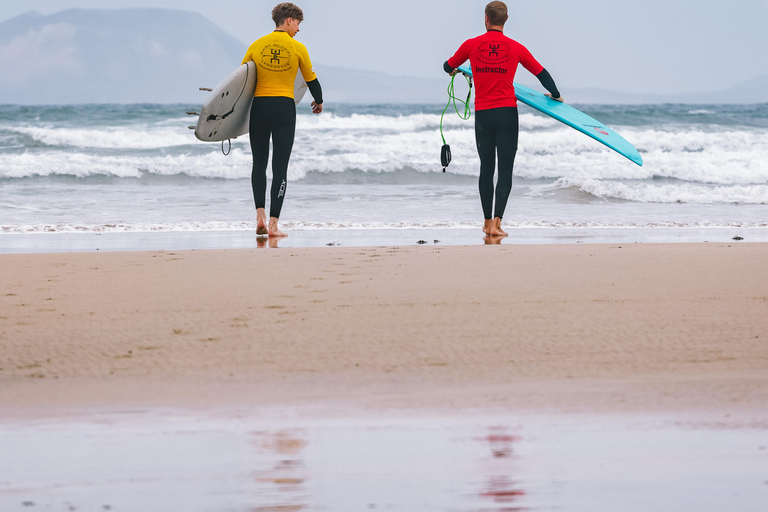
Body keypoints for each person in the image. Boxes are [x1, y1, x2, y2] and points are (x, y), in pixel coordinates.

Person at [444, 1, 562, 237]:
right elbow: (542, 73)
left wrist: (456, 70)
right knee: (505, 170)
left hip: (483, 115)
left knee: (486, 168)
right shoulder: (516, 48)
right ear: (506, 19)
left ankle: (486, 223)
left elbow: (447, 65)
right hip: (507, 113)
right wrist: (556, 95)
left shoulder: (470, 45)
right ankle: (497, 224)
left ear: (485, 18)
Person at [242, 2, 323, 238]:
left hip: (259, 107)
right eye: (297, 23)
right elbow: (312, 81)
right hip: (284, 109)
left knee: (259, 163)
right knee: (280, 167)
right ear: (289, 20)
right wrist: (318, 101)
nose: (298, 29)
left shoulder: (256, 45)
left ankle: (260, 217)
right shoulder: (298, 47)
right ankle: (274, 226)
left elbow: (242, 82)